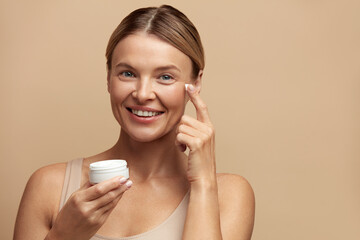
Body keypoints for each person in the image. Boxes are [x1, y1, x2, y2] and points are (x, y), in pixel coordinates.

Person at [14, 5, 255, 240]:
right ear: (109, 77)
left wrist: (203, 183)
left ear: (196, 82)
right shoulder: (48, 187)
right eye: (128, 73)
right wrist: (64, 236)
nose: (142, 93)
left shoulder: (228, 195)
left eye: (165, 77)